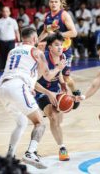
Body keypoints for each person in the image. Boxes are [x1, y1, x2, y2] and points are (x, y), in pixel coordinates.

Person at [0, 27, 66, 169]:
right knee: (40, 123)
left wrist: (30, 87)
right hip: (17, 86)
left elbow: (26, 72)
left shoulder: (12, 51)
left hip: (3, 88)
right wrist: (58, 68)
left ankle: (10, 156)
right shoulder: (37, 52)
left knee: (21, 123)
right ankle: (30, 152)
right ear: (34, 39)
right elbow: (47, 76)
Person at [38, 0, 81, 109]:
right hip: (51, 50)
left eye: (56, 2)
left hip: (64, 50)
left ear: (60, 3)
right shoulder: (47, 16)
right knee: (46, 74)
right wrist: (36, 41)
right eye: (51, 2)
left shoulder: (64, 15)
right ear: (49, 3)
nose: (53, 4)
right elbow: (45, 31)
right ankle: (46, 100)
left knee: (66, 77)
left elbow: (74, 33)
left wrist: (58, 36)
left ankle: (76, 93)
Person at [34, 32, 70, 161]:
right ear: (50, 47)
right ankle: (62, 148)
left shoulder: (62, 56)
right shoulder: (43, 58)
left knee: (59, 121)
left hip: (55, 90)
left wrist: (63, 84)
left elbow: (59, 73)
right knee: (53, 118)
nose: (60, 47)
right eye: (56, 45)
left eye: (61, 45)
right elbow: (47, 76)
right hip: (41, 90)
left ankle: (33, 149)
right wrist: (59, 68)